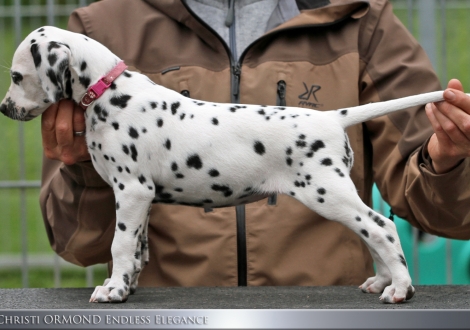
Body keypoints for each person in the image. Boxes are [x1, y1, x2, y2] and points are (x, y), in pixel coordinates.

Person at [39, 0, 470, 289]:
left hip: (326, 310)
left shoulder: (360, 19)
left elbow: (443, 211)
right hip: (170, 311)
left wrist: (447, 161)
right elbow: (76, 244)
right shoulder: (98, 36)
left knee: (351, 209)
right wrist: (87, 169)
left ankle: (392, 268)